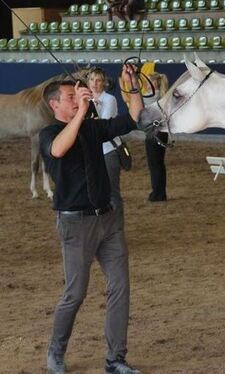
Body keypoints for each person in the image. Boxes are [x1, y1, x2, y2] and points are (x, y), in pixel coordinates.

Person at [40, 63, 144, 374]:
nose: (77, 99)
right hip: (76, 223)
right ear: (54, 104)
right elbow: (59, 150)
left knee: (120, 288)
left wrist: (132, 85)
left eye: (78, 95)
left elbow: (134, 117)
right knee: (76, 292)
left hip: (108, 219)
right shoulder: (49, 133)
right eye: (70, 97)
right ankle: (55, 353)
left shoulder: (91, 127)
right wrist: (83, 112)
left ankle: (116, 359)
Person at [87, 67, 124, 211]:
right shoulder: (86, 100)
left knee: (112, 192)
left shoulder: (110, 99)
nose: (94, 83)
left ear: (104, 83)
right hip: (93, 151)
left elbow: (103, 124)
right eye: (91, 80)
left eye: (98, 80)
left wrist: (92, 109)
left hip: (109, 150)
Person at [142, 72, 169, 202]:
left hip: (153, 133)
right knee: (159, 164)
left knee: (154, 164)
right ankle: (160, 192)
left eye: (148, 82)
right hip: (163, 133)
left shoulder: (150, 96)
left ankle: (157, 193)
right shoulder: (163, 96)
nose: (146, 84)